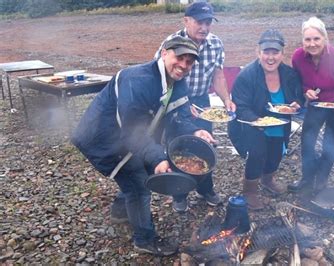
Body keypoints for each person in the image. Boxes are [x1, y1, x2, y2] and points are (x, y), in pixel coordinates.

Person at [71, 36, 215, 256]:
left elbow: (180, 115)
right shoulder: (137, 80)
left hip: (129, 138)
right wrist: (158, 158)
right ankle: (144, 239)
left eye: (189, 61)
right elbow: (131, 132)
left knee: (138, 174)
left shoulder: (178, 81)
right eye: (180, 57)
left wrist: (195, 130)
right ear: (165, 52)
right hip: (103, 139)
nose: (184, 66)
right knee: (139, 186)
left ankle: (120, 212)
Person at [154, 1, 236, 212]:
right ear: (186, 21)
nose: (204, 27)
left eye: (208, 22)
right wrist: (178, 102)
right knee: (177, 146)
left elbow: (218, 74)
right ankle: (179, 194)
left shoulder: (216, 44)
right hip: (175, 101)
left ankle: (205, 188)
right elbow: (158, 75)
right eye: (199, 22)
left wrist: (226, 99)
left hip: (202, 102)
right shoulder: (172, 43)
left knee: (205, 145)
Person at [229, 29, 304, 210]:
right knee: (257, 155)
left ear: (282, 54)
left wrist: (296, 104)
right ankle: (249, 191)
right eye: (266, 52)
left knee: (276, 153)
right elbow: (240, 106)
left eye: (275, 52)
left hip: (280, 122)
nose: (271, 58)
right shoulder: (247, 75)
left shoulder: (289, 74)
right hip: (252, 124)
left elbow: (297, 96)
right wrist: (258, 121)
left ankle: (268, 180)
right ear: (258, 52)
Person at [287, 17, 334, 196]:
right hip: (317, 104)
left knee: (329, 143)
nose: (312, 43)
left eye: (316, 38)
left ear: (324, 38)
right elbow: (299, 82)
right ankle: (307, 177)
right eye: (308, 39)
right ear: (303, 41)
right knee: (307, 141)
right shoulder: (298, 57)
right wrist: (306, 90)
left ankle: (322, 178)